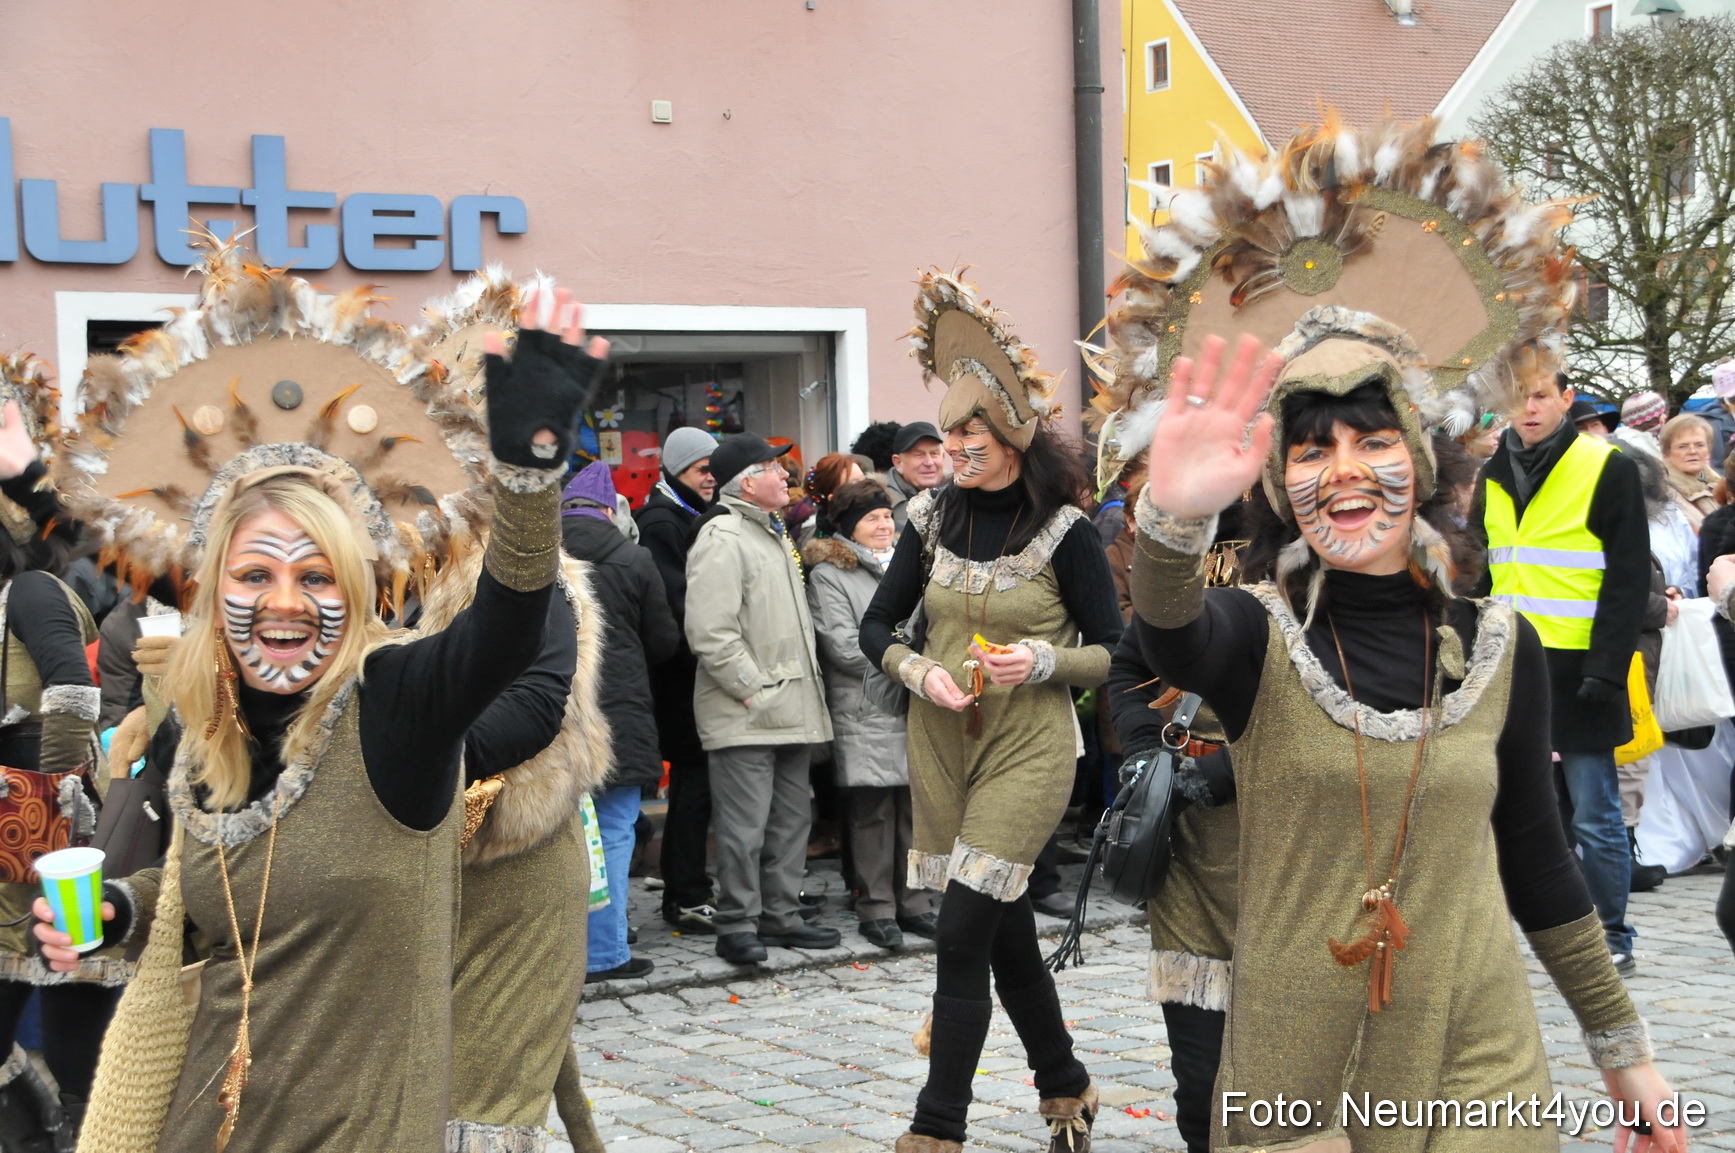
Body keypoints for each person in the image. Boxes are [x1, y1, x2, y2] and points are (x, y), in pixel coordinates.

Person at [1102, 118, 1681, 1151]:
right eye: (1313, 449)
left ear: (1421, 460)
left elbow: (1539, 860)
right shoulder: (1252, 633)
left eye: (1374, 440)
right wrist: (1174, 518)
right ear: (1280, 480)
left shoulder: (1500, 645)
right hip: (1299, 1058)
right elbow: (1169, 631)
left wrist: (1620, 1046)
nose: (1347, 471)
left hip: (1476, 1039)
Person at [35, 245, 600, 1153]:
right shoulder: (208, 728)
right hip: (211, 1116)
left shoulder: (395, 704)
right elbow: (205, 893)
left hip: (367, 1099)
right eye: (254, 574)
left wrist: (526, 470)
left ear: (358, 585)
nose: (286, 601)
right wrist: (116, 912)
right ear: (214, 591)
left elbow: (509, 629)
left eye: (315, 576)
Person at [861, 271, 1119, 1153]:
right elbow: (875, 625)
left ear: (1011, 433)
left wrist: (1042, 659)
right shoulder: (927, 518)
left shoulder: (1066, 531)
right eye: (948, 431)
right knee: (1001, 926)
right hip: (938, 741)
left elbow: (1117, 650)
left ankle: (937, 1129)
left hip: (1030, 747)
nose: (956, 446)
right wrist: (914, 671)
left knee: (964, 923)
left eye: (972, 431)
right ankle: (1065, 1084)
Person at [1477, 369, 1652, 975]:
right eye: (1516, 397)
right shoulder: (1492, 472)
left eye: (1540, 395)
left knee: (1596, 814)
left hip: (1582, 667)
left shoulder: (1608, 467)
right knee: (1503, 807)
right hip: (1508, 662)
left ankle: (1611, 934)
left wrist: (1607, 668)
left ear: (1565, 401)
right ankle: (1515, 929)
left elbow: (1628, 579)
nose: (1527, 408)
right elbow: (1483, 569)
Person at [0, 356, 109, 1153]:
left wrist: (62, 796)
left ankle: (70, 1123)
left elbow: (73, 687)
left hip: (35, 818)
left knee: (59, 975)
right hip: (17, 816)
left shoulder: (30, 591)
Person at [684, 433, 837, 965]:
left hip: (790, 709)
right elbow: (710, 631)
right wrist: (752, 690)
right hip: (748, 711)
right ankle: (738, 924)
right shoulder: (723, 537)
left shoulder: (772, 533)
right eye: (773, 468)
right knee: (743, 829)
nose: (784, 475)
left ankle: (780, 916)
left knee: (791, 822)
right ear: (747, 483)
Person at [560, 461, 680, 981]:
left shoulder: (536, 559)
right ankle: (605, 953)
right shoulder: (633, 558)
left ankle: (556, 954)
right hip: (620, 714)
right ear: (610, 510)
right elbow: (665, 641)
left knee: (553, 835)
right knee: (612, 831)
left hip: (553, 716)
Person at [804, 480, 936, 949]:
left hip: (913, 700)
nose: (884, 525)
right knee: (872, 814)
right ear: (848, 528)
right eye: (872, 518)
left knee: (912, 809)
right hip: (865, 705)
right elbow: (843, 646)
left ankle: (915, 902)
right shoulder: (830, 575)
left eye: (887, 517)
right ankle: (876, 906)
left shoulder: (909, 562)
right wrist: (911, 657)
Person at [635, 425, 720, 934]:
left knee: (701, 785)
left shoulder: (693, 512)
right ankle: (684, 892)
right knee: (693, 785)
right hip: (685, 678)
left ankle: (690, 886)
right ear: (677, 471)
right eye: (701, 470)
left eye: (713, 469)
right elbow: (679, 602)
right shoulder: (664, 521)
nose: (710, 478)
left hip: (697, 673)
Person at [1660, 411, 1718, 531]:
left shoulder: (1722, 485)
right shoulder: (1664, 494)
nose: (1692, 451)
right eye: (1683, 446)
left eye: (1699, 445)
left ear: (1708, 451)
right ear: (1667, 453)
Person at [884, 421, 946, 531]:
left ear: (943, 457)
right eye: (919, 455)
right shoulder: (879, 501)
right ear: (898, 462)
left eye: (934, 453)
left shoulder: (960, 494)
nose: (929, 462)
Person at [796, 451, 866, 547]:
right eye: (854, 483)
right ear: (833, 497)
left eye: (864, 480)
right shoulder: (818, 545)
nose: (866, 488)